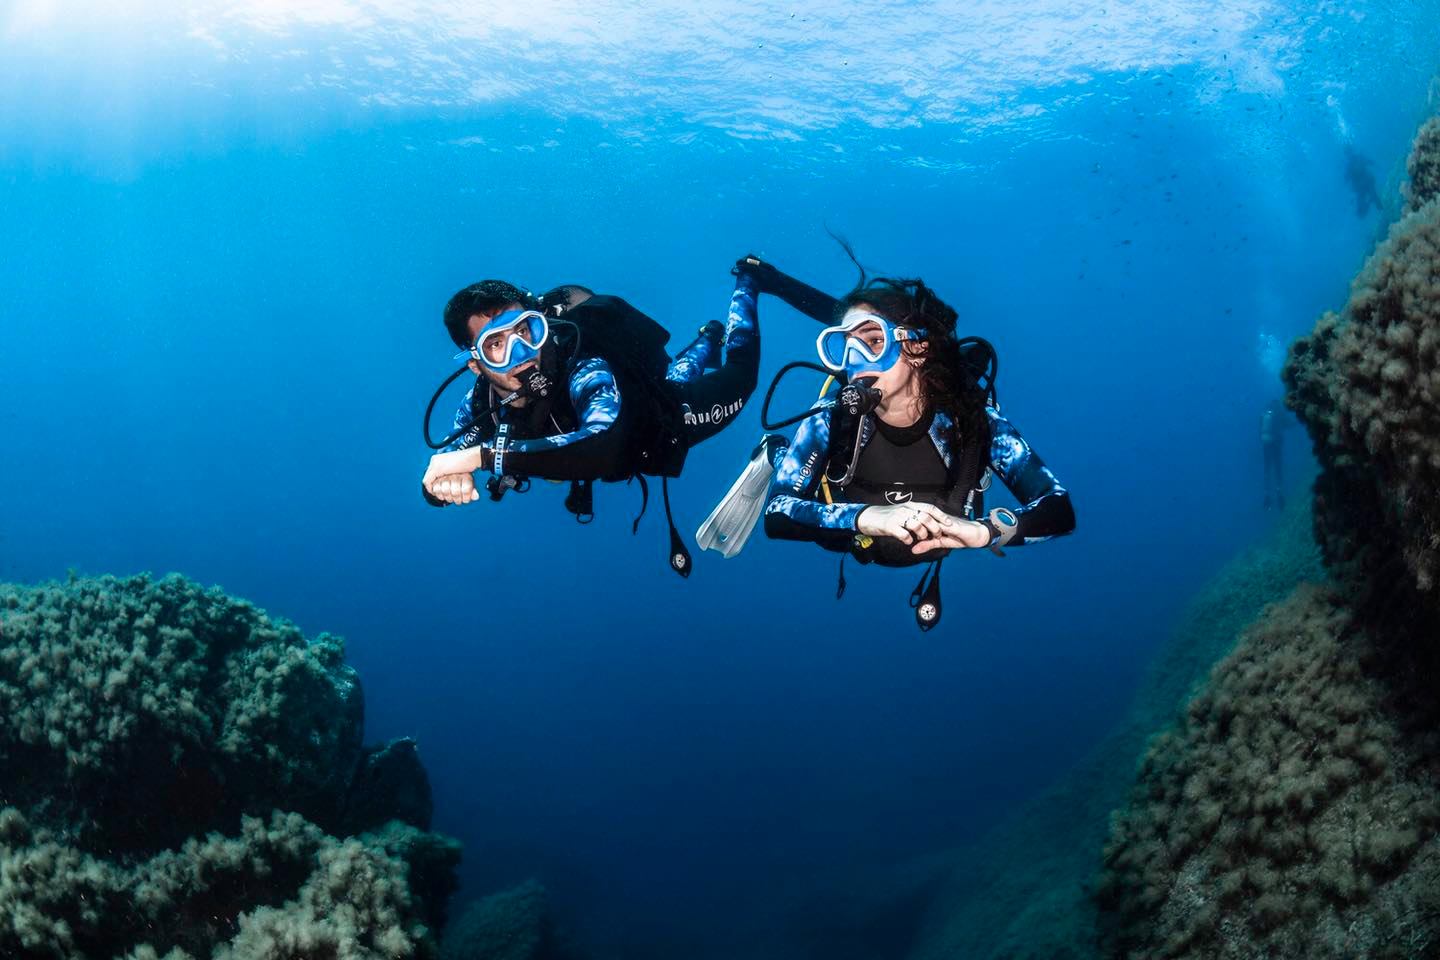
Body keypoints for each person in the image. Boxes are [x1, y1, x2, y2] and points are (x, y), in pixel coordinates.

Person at [740, 259, 1074, 627]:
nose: (854, 362)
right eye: (844, 347)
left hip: (935, 542)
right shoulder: (831, 416)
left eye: (873, 341)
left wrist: (985, 531)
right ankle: (775, 451)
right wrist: (867, 517)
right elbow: (777, 512)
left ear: (916, 348)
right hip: (853, 537)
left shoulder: (970, 419)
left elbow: (1058, 508)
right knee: (814, 500)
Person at [420, 266, 762, 574]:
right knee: (679, 373)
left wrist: (481, 457)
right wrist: (439, 485)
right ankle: (708, 336)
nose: (521, 353)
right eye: (496, 344)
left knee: (738, 376)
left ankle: (748, 282)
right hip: (633, 411)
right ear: (476, 365)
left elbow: (604, 445)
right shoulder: (484, 401)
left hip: (662, 422)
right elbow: (443, 464)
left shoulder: (584, 369)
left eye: (525, 330)